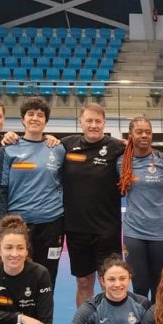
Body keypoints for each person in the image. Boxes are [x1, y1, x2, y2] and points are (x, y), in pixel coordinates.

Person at [0, 96, 66, 283]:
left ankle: (43, 313)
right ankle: (20, 313)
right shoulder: (9, 149)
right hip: (19, 224)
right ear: (23, 120)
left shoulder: (58, 149)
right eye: (30, 114)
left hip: (51, 223)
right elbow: (0, 189)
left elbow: (65, 184)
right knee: (18, 274)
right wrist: (2, 225)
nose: (35, 118)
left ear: (46, 121)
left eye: (40, 115)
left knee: (48, 276)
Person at [60, 102, 126, 306]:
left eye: (98, 121)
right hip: (76, 229)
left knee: (110, 281)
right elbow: (40, 144)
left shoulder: (117, 146)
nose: (94, 125)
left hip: (107, 230)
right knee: (83, 282)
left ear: (104, 123)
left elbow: (145, 153)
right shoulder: (66, 145)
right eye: (89, 120)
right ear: (81, 122)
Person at [120, 116, 163, 298]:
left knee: (159, 285)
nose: (144, 135)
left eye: (148, 132)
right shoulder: (121, 162)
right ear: (130, 135)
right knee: (139, 285)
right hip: (133, 233)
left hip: (160, 233)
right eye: (139, 132)